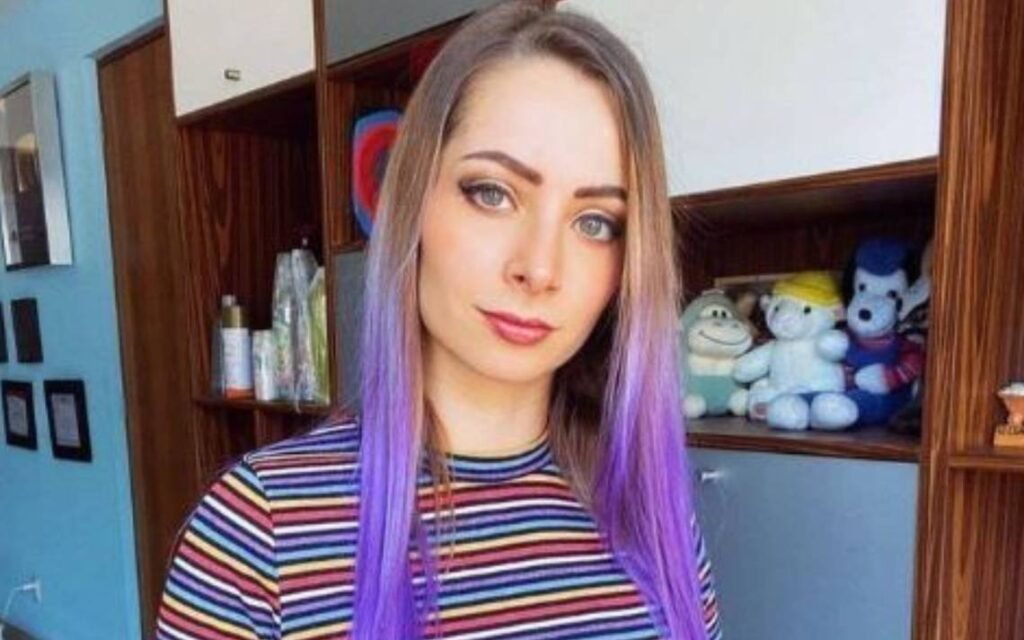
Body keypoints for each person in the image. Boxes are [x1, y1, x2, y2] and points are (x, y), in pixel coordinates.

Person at [156, 1, 723, 638]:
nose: (539, 268)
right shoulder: (256, 530)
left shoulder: (654, 519)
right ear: (413, 200)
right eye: (492, 193)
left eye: (595, 223)